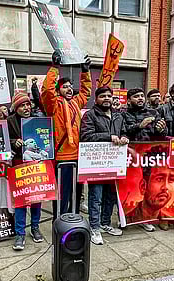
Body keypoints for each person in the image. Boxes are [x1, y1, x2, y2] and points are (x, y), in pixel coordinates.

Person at [41, 50, 92, 220]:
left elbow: (85, 92)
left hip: (78, 156)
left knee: (76, 193)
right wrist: (55, 68)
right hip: (62, 157)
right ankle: (60, 221)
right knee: (62, 193)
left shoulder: (76, 103)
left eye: (71, 86)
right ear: (59, 89)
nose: (69, 89)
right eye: (65, 86)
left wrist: (85, 72)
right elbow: (47, 91)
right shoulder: (53, 105)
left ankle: (74, 219)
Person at [80, 87, 128, 245]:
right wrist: (109, 137)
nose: (106, 98)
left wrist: (124, 138)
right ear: (96, 98)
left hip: (114, 162)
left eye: (109, 96)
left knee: (111, 196)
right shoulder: (90, 115)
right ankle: (94, 228)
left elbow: (124, 131)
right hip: (97, 164)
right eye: (103, 96)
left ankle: (105, 223)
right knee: (96, 197)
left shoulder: (118, 115)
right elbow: (86, 136)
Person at [122, 88, 167, 232]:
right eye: (136, 96)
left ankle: (145, 219)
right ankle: (124, 218)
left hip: (148, 158)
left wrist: (162, 129)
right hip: (129, 157)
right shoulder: (123, 114)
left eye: (142, 96)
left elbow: (161, 134)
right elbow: (123, 131)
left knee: (147, 187)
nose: (140, 98)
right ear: (129, 100)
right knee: (126, 187)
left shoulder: (154, 113)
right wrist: (139, 126)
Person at [7, 92, 44, 250]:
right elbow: (2, 139)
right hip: (19, 164)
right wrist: (14, 142)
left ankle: (35, 227)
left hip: (36, 164)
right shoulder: (9, 121)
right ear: (16, 108)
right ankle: (20, 233)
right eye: (22, 105)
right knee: (21, 200)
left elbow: (45, 138)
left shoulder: (38, 119)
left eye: (28, 104)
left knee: (36, 197)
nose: (26, 107)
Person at [126, 146, 174, 224]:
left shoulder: (169, 219)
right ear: (143, 186)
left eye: (171, 180)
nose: (165, 187)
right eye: (159, 179)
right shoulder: (127, 219)